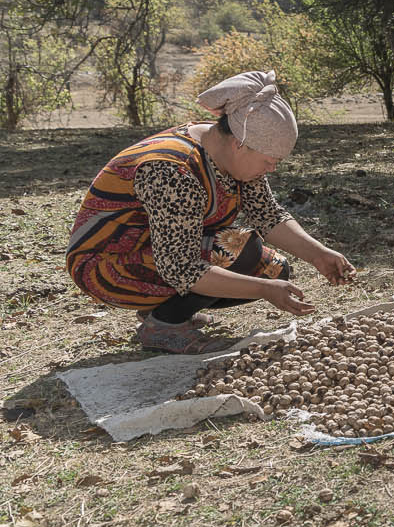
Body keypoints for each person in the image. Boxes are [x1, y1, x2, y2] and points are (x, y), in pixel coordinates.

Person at [67, 70, 356, 354]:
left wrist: (318, 254)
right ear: (238, 144)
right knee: (242, 250)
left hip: (159, 255)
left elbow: (268, 215)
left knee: (273, 269)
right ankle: (164, 325)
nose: (272, 169)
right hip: (106, 266)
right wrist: (263, 291)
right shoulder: (172, 171)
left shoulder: (228, 151)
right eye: (269, 161)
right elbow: (181, 267)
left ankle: (166, 311)